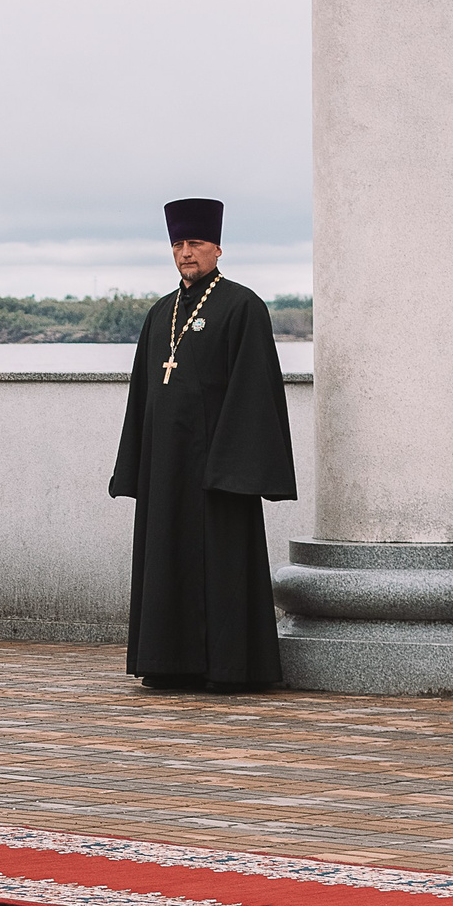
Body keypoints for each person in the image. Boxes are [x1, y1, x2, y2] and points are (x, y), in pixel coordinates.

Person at [108, 198, 297, 692]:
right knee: (166, 558)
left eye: (194, 244)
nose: (185, 253)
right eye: (177, 244)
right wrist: (137, 465)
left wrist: (233, 468)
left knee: (220, 565)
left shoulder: (243, 307)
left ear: (216, 247)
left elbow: (255, 390)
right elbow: (142, 395)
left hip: (217, 470)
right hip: (166, 470)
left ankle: (229, 668)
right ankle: (168, 664)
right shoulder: (159, 314)